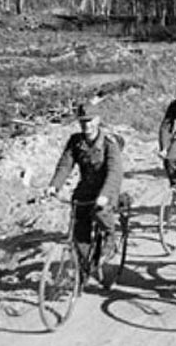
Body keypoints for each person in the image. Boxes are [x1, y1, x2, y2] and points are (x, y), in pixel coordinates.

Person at [46, 101, 124, 278]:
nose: (86, 125)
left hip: (107, 188)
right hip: (86, 187)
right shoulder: (76, 141)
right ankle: (84, 267)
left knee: (101, 212)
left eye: (89, 121)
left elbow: (115, 172)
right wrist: (54, 185)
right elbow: (65, 165)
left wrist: (104, 195)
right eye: (82, 121)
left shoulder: (109, 143)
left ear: (97, 120)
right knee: (78, 226)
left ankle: (111, 238)